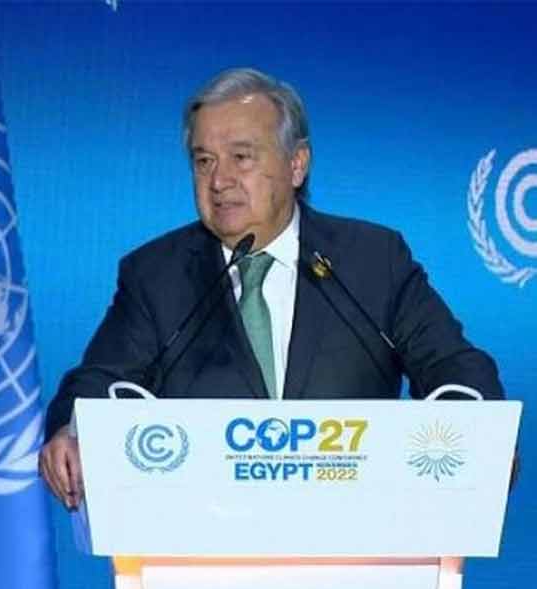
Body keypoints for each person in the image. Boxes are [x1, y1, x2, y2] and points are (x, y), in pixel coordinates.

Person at [39, 68, 505, 508]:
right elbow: (99, 380)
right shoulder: (157, 274)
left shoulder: (371, 260)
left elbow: (452, 364)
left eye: (241, 157)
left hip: (356, 530)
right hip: (202, 538)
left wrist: (482, 437)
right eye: (203, 161)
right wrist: (70, 432)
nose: (219, 181)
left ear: (297, 164)